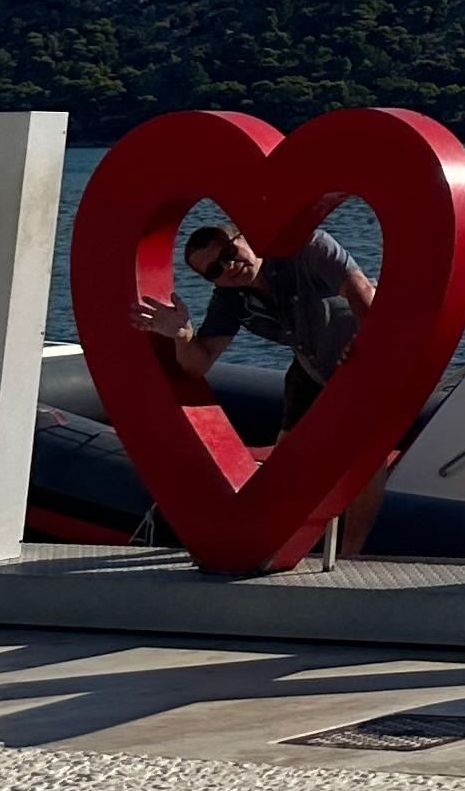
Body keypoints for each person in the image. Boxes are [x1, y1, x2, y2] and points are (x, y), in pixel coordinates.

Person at [135, 220, 390, 553]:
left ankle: (352, 553)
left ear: (247, 237)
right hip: (311, 366)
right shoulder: (231, 299)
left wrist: (365, 342)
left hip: (361, 356)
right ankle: (283, 543)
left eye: (229, 252)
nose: (227, 266)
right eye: (214, 269)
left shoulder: (307, 248)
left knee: (365, 455)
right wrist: (183, 335)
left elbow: (361, 292)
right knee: (287, 460)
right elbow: (198, 363)